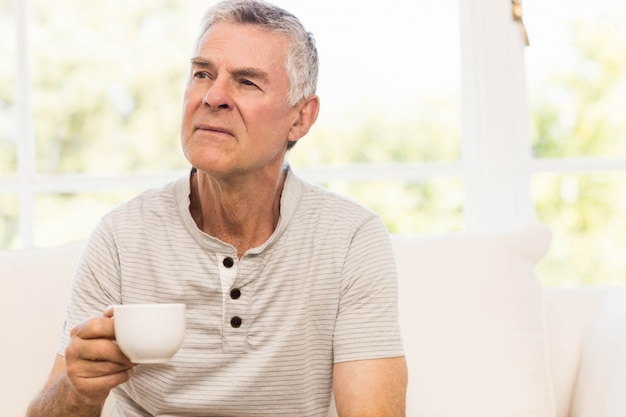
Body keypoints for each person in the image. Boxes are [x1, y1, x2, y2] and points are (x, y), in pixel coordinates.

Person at [27, 0, 408, 416]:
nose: (213, 96)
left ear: (300, 118)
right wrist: (78, 389)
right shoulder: (122, 235)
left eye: (246, 82)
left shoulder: (351, 238)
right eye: (202, 73)